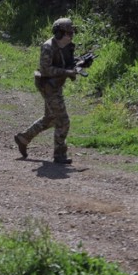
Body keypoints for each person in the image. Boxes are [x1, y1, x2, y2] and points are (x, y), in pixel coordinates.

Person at [14, 17, 81, 164]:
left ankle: (23, 138)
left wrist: (79, 64)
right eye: (69, 33)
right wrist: (66, 72)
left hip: (56, 85)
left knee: (50, 118)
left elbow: (68, 63)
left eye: (72, 33)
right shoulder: (48, 47)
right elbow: (46, 69)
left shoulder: (68, 46)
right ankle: (59, 154)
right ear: (59, 33)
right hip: (47, 85)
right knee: (63, 120)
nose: (71, 36)